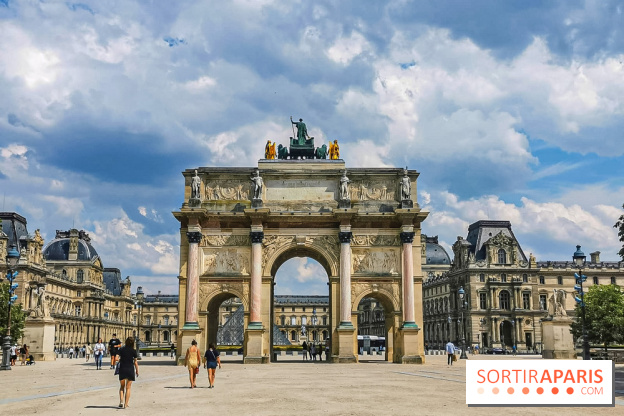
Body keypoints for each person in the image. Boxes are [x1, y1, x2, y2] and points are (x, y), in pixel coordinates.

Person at [116, 337, 139, 409]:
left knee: (122, 387)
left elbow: (116, 358)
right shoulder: (133, 351)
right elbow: (135, 362)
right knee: (128, 388)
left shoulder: (121, 349)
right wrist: (137, 371)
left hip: (122, 369)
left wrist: (121, 361)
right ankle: (126, 404)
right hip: (130, 369)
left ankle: (121, 401)